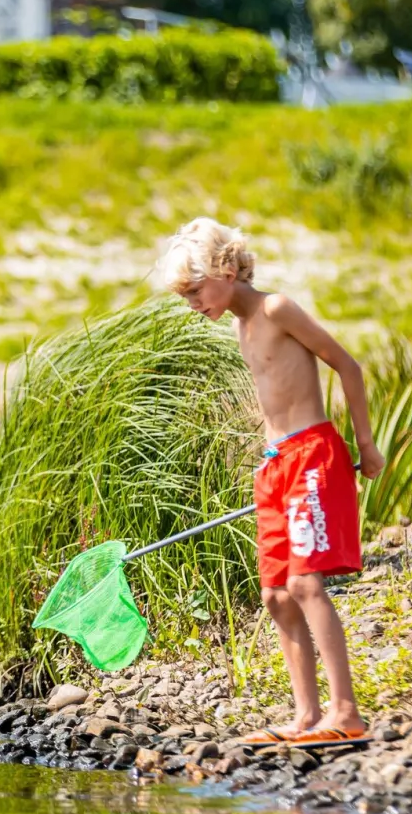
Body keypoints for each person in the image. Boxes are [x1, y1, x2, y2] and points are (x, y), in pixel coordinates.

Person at [156, 218, 383, 749]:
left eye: (195, 290)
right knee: (276, 595)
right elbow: (270, 400)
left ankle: (345, 711)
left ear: (228, 270)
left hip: (312, 454)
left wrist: (365, 444)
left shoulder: (276, 309)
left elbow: (347, 366)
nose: (192, 303)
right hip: (276, 463)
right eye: (184, 296)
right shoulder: (241, 328)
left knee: (307, 584)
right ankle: (306, 715)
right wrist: (265, 460)